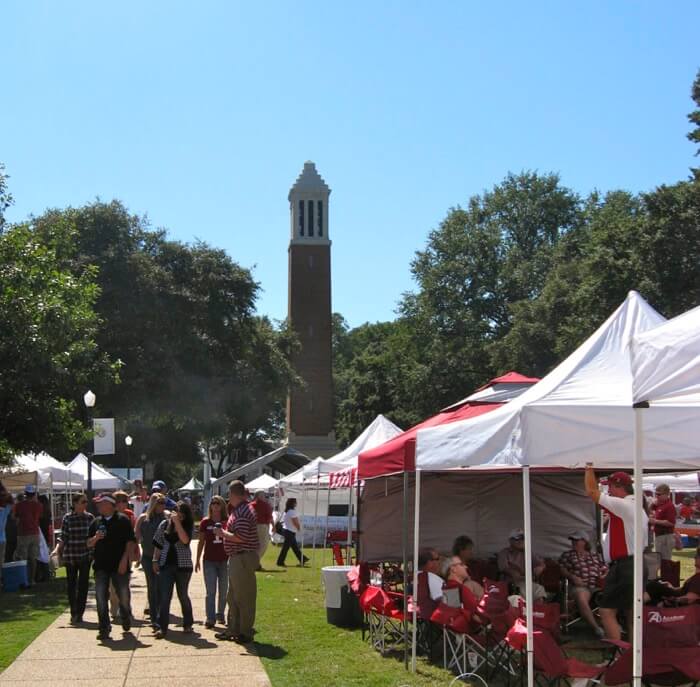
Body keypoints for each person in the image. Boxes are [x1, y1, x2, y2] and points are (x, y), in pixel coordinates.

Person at [584, 465, 648, 641]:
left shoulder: (624, 505)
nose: (608, 491)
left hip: (626, 566)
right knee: (631, 613)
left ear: (618, 486)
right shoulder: (637, 507)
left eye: (609, 487)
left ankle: (617, 655)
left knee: (606, 611)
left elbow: (591, 491)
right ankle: (633, 657)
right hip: (635, 563)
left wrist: (588, 468)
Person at [87, 493, 136, 641]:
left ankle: (125, 615)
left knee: (123, 595)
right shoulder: (96, 523)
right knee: (101, 597)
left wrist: (125, 560)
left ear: (109, 504)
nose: (98, 506)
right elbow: (88, 543)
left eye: (101, 503)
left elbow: (130, 542)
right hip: (101, 566)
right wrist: (95, 538)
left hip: (119, 565)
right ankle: (104, 627)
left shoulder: (123, 520)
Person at [215, 480, 259, 644]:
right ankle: (233, 629)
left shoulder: (243, 512)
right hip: (237, 558)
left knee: (244, 597)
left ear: (233, 494)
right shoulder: (241, 510)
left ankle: (245, 632)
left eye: (229, 494)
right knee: (233, 596)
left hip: (242, 557)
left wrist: (222, 533)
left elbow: (241, 537)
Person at [152, 500, 194, 639]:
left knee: (183, 595)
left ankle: (187, 623)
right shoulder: (164, 525)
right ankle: (161, 627)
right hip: (166, 565)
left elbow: (185, 540)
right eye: (177, 513)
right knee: (164, 597)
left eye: (182, 514)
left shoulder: (187, 526)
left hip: (183, 566)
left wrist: (177, 523)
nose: (179, 516)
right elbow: (158, 544)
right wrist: (155, 560)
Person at [559, 531, 608, 637]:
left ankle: (614, 626)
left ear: (585, 541)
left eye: (577, 540)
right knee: (582, 596)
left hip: (596, 586)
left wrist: (604, 574)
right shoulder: (568, 555)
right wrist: (572, 577)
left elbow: (604, 568)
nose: (574, 542)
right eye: (573, 540)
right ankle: (597, 629)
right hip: (579, 586)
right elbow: (562, 569)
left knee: (614, 593)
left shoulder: (595, 556)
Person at [57, 493, 94, 624]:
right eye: (83, 502)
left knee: (83, 585)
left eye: (86, 502)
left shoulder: (89, 518)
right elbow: (64, 536)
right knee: (71, 585)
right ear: (75, 504)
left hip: (85, 556)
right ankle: (73, 612)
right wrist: (58, 551)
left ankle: (80, 613)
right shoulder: (67, 518)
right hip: (71, 556)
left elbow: (93, 537)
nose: (85, 504)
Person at [196, 495, 229, 628]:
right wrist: (197, 559)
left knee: (223, 589)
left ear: (222, 506)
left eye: (218, 503)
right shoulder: (205, 522)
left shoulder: (227, 521)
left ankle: (220, 614)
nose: (215, 506)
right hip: (209, 560)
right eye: (213, 503)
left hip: (224, 559)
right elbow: (201, 541)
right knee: (211, 591)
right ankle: (210, 618)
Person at [135, 493, 166, 625]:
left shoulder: (166, 518)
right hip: (147, 557)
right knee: (151, 587)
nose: (162, 505)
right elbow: (136, 536)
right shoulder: (143, 519)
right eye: (160, 502)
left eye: (164, 502)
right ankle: (154, 617)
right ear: (153, 504)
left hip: (162, 557)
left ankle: (160, 614)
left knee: (161, 587)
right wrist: (136, 555)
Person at [497, 528, 547, 601]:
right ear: (510, 541)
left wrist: (541, 567)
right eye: (518, 539)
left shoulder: (528, 552)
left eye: (523, 539)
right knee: (523, 589)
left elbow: (541, 563)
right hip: (511, 584)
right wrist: (513, 572)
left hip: (527, 582)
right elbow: (504, 568)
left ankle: (538, 610)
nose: (521, 541)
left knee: (539, 589)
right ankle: (524, 610)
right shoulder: (504, 553)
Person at [13, 485, 43, 586]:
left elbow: (15, 519)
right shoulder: (39, 505)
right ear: (34, 494)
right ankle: (32, 580)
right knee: (33, 558)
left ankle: (24, 580)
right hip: (35, 533)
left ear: (25, 494)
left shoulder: (19, 505)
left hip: (23, 534)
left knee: (23, 558)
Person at [276, 498, 309, 567]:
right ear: (293, 503)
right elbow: (295, 522)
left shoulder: (287, 511)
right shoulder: (292, 512)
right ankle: (280, 562)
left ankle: (303, 559)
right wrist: (299, 528)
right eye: (295, 502)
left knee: (294, 547)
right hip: (290, 531)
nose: (296, 503)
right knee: (286, 548)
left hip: (287, 531)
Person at [649, 484, 677, 562]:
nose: (656, 496)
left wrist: (655, 521)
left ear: (666, 494)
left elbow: (671, 523)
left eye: (659, 494)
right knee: (658, 560)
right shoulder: (659, 504)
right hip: (659, 535)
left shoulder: (669, 506)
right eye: (656, 494)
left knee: (665, 561)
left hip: (666, 536)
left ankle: (666, 574)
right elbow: (648, 509)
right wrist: (653, 504)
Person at [451, 535, 484, 599]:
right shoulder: (453, 565)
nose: (471, 552)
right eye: (469, 549)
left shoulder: (473, 565)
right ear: (461, 551)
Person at [251, 491, 273, 569]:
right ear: (260, 496)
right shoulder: (266, 505)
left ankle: (255, 563)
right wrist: (269, 525)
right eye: (264, 495)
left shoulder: (250, 505)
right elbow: (269, 517)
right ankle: (255, 562)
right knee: (263, 545)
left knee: (254, 546)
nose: (265, 497)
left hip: (251, 526)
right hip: (262, 526)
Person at [0, 490, 12, 587]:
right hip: (3, 539)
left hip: (2, 539)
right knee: (1, 561)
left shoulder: (5, 509)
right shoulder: (6, 509)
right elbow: (11, 500)